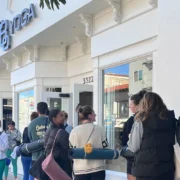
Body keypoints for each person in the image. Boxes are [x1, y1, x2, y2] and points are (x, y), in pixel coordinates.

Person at [128, 92, 176, 180]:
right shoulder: (171, 120)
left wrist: (129, 139)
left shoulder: (140, 121)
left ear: (144, 104)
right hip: (166, 170)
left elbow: (133, 147)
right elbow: (174, 141)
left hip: (146, 172)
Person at [69, 105, 108, 180]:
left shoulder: (74, 131)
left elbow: (72, 150)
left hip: (80, 169)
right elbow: (105, 146)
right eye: (94, 113)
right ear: (90, 115)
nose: (95, 115)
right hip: (98, 168)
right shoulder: (100, 129)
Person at [121, 90, 146, 180]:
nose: (129, 107)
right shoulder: (151, 118)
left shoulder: (133, 120)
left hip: (134, 159)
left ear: (138, 105)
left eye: (131, 104)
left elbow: (125, 141)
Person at [44, 109, 72, 178]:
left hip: (52, 166)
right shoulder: (61, 132)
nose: (63, 118)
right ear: (54, 119)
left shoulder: (48, 130)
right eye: (61, 116)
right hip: (61, 167)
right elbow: (68, 149)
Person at [21, 112, 38, 180]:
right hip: (33, 154)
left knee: (25, 173)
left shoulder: (26, 129)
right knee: (32, 173)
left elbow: (23, 140)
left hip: (24, 153)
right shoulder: (37, 130)